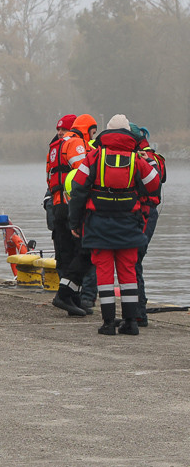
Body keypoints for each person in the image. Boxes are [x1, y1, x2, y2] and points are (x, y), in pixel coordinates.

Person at [68, 115, 160, 335]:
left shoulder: (93, 157)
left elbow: (78, 189)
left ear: (107, 133)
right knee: (128, 274)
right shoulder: (137, 159)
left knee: (104, 275)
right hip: (129, 224)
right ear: (128, 133)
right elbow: (154, 184)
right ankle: (131, 322)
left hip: (98, 224)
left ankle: (108, 324)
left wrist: (75, 221)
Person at [46, 114, 97, 317]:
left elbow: (49, 176)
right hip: (71, 205)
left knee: (65, 254)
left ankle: (73, 301)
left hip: (57, 204)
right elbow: (83, 174)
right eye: (92, 133)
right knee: (84, 252)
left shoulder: (55, 146)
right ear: (86, 130)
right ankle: (66, 295)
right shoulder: (76, 144)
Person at [130, 123, 166, 326]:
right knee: (134, 261)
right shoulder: (154, 157)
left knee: (134, 259)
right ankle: (138, 311)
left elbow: (154, 182)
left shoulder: (145, 158)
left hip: (145, 213)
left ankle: (139, 313)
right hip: (145, 213)